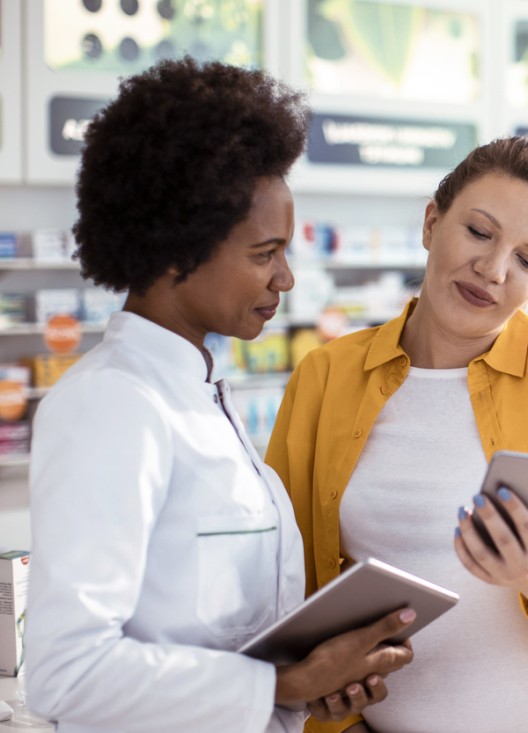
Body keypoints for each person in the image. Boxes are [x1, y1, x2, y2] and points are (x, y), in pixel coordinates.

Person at [24, 58, 415, 733]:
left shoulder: (201, 395)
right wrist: (279, 684)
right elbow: (66, 672)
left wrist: (303, 686)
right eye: (265, 253)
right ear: (178, 250)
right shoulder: (112, 405)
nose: (285, 279)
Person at [266, 136, 528, 733]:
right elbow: (284, 583)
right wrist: (316, 682)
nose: (494, 270)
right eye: (479, 232)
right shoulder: (325, 376)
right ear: (431, 222)